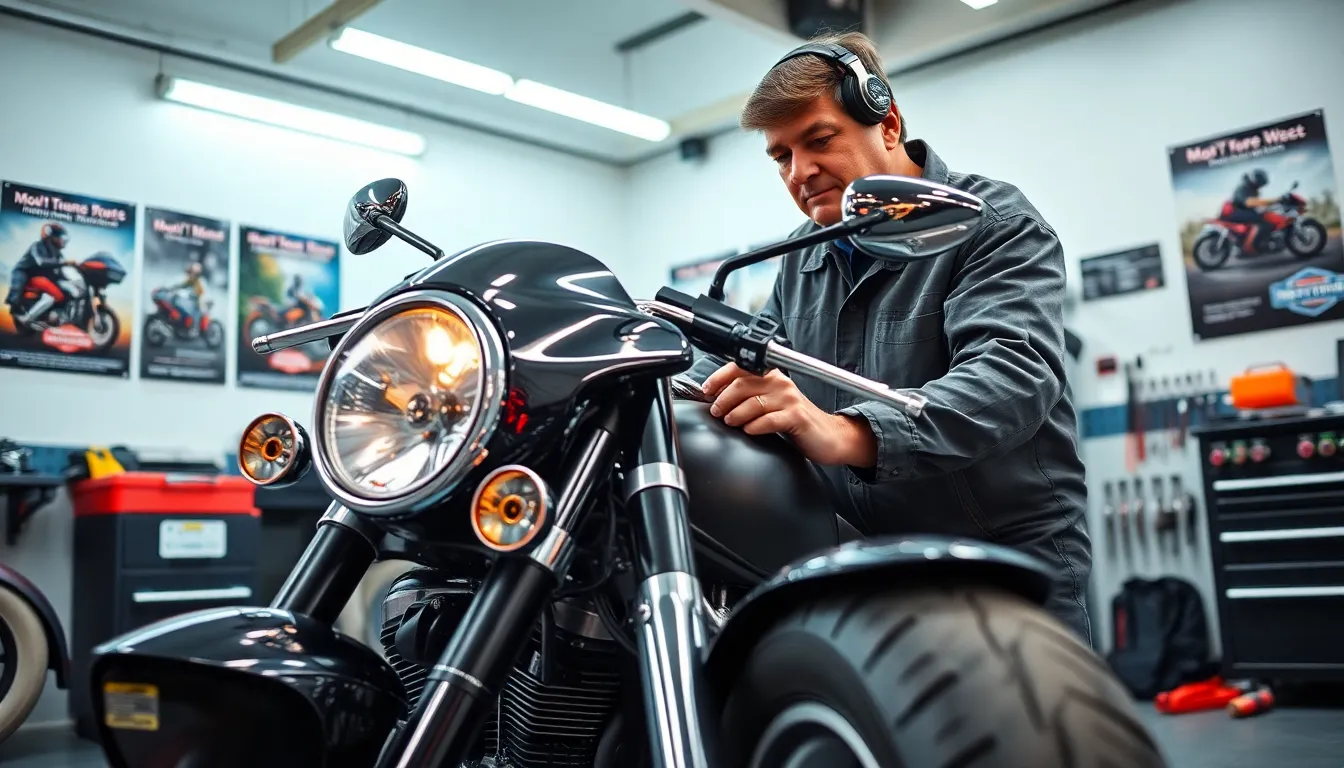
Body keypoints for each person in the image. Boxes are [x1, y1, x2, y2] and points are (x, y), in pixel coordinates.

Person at [688, 31, 1094, 645]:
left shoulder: (992, 223)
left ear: (888, 123)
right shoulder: (806, 258)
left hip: (999, 564)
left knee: (1035, 743)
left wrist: (846, 431)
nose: (801, 172)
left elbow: (1012, 377)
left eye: (819, 140)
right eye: (781, 156)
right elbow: (744, 357)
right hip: (861, 563)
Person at [7, 222, 75, 325]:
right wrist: (64, 263)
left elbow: (59, 271)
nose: (62, 240)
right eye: (60, 237)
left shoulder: (57, 253)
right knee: (18, 286)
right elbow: (41, 262)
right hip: (25, 270)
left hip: (41, 276)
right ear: (50, 236)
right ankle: (17, 309)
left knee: (64, 289)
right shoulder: (37, 246)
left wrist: (70, 280)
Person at [1224, 168, 1277, 252]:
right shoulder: (1244, 186)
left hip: (1240, 210)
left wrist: (1266, 207)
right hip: (1236, 212)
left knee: (1264, 217)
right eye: (1260, 184)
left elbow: (1253, 204)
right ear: (1256, 181)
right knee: (1263, 223)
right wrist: (1272, 201)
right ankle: (1253, 246)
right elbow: (1248, 202)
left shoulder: (1249, 186)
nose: (1260, 186)